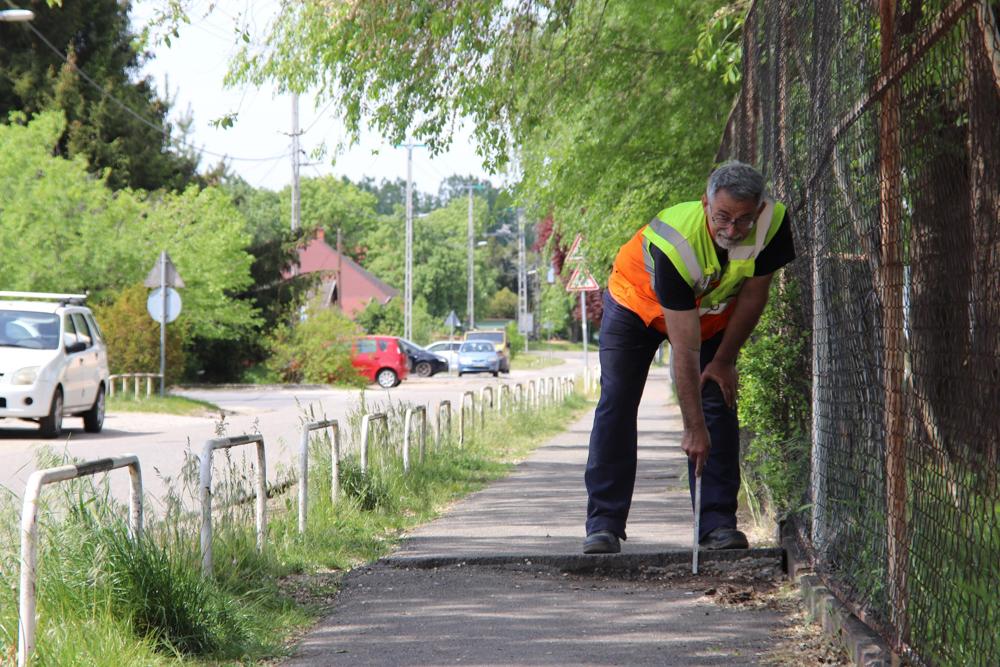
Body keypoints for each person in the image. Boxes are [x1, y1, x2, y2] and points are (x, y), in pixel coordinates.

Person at [583, 161, 796, 554]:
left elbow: (752, 297)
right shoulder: (676, 243)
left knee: (717, 398)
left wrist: (724, 360)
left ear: (760, 209)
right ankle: (604, 525)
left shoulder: (773, 223)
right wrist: (691, 428)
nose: (733, 230)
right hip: (636, 305)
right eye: (723, 218)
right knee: (618, 399)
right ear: (705, 204)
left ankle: (716, 524)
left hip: (709, 315)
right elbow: (685, 348)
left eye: (744, 220)